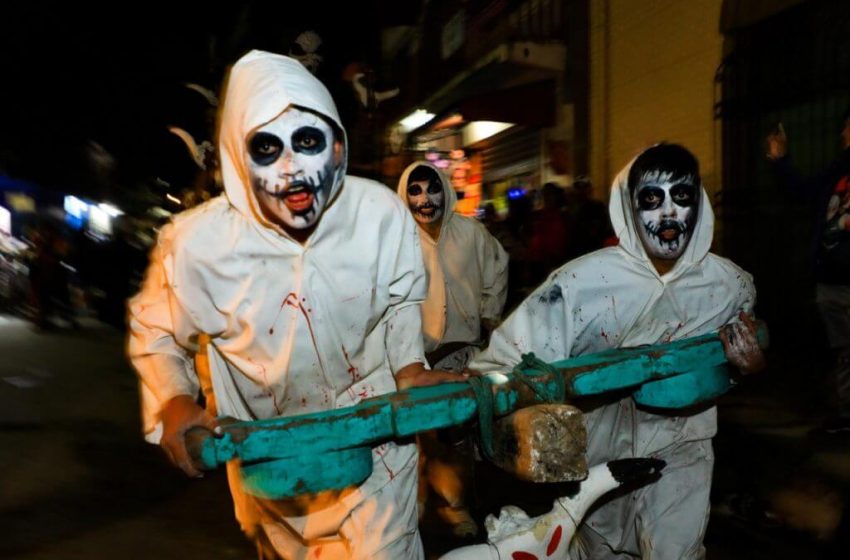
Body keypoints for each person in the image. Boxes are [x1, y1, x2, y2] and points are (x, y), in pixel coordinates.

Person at [128, 50, 465, 560]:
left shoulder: (378, 214)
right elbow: (155, 331)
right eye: (266, 148)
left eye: (307, 142)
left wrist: (409, 368)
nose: (292, 169)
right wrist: (174, 399)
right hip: (274, 467)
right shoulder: (195, 243)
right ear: (239, 158)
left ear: (335, 144)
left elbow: (401, 299)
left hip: (377, 454)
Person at [468, 143, 766, 559]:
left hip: (684, 442)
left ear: (698, 203)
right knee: (603, 550)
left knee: (676, 551)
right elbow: (507, 358)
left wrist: (748, 365)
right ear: (629, 206)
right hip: (601, 448)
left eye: (681, 197)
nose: (667, 214)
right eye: (651, 199)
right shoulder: (581, 283)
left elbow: (741, 354)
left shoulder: (729, 285)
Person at [397, 161, 508, 536]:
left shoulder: (472, 234)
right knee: (416, 434)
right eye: (416, 190)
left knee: (459, 430)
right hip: (413, 356)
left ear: (446, 189)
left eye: (433, 189)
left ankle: (455, 505)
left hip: (464, 348)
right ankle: (419, 502)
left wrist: (489, 314)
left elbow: (498, 268)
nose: (426, 199)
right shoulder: (398, 240)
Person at [767, 115, 850, 432]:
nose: (842, 132)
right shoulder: (836, 170)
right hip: (831, 280)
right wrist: (780, 159)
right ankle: (846, 414)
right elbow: (803, 191)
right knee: (843, 351)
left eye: (847, 126)